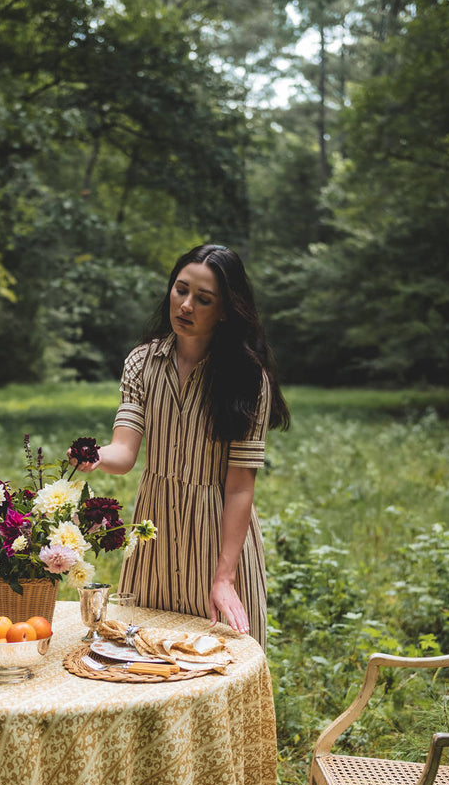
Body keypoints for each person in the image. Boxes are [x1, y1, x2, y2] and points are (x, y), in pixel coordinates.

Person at [71, 243, 290, 646]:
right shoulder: (141, 362)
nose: (186, 305)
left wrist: (224, 576)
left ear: (224, 310)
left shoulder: (246, 378)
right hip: (154, 532)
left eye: (203, 299)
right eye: (180, 290)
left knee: (219, 659)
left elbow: (240, 485)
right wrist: (96, 456)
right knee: (140, 654)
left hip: (217, 535)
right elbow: (125, 452)